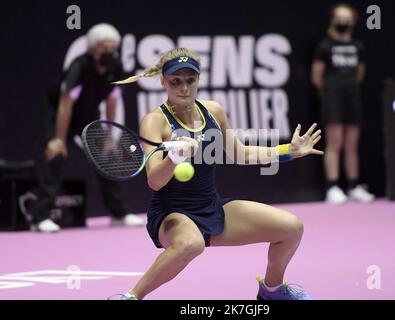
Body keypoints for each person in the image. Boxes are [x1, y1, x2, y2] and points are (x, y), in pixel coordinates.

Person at [109, 48, 323, 300]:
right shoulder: (155, 122)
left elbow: (240, 154)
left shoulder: (213, 111)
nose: (184, 88)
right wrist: (176, 157)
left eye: (191, 80)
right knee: (192, 243)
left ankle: (272, 290)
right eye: (175, 81)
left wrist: (288, 151)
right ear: (163, 82)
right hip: (171, 213)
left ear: (199, 80)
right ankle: (131, 297)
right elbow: (155, 181)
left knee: (291, 228)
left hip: (211, 207)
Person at [31, 23, 144, 233]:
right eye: (104, 49)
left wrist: (111, 137)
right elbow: (65, 104)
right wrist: (59, 140)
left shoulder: (115, 67)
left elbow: (112, 100)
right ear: (93, 49)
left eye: (113, 49)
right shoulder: (79, 67)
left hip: (88, 116)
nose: (109, 54)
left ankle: (119, 213)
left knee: (107, 158)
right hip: (58, 114)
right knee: (56, 158)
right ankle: (41, 217)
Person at [311, 3, 375, 204]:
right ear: (332, 21)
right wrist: (330, 93)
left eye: (347, 19)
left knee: (352, 144)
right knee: (335, 142)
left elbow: (360, 74)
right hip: (333, 99)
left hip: (353, 99)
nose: (343, 23)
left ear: (353, 22)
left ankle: (354, 185)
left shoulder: (358, 47)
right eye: (339, 18)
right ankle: (332, 187)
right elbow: (317, 77)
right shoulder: (325, 46)